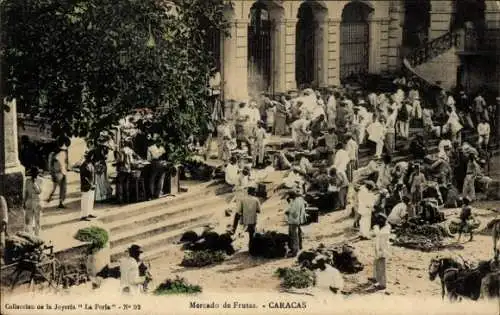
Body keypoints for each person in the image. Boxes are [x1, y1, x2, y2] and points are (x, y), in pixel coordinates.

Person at [369, 213, 391, 290]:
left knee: (381, 266)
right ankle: (375, 278)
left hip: (382, 250)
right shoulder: (383, 227)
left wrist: (381, 252)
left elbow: (378, 234)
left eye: (378, 220)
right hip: (378, 248)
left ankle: (382, 284)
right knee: (376, 264)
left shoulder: (384, 231)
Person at [285, 190, 308, 257]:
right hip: (298, 219)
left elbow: (294, 212)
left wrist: (288, 212)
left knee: (294, 235)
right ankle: (299, 246)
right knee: (298, 234)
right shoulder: (299, 200)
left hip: (294, 220)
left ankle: (295, 251)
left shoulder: (296, 202)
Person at [23, 167, 43, 236]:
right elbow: (26, 192)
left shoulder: (40, 180)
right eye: (33, 174)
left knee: (38, 220)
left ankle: (37, 235)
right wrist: (24, 202)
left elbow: (39, 191)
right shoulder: (27, 181)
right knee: (28, 221)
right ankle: (30, 235)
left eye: (36, 174)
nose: (34, 175)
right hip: (29, 201)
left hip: (37, 202)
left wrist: (35, 183)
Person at [80, 150, 96, 221]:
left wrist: (94, 184)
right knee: (85, 200)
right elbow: (84, 177)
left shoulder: (90, 164)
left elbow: (93, 174)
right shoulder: (84, 165)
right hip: (86, 186)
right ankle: (84, 215)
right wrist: (91, 184)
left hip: (91, 185)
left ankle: (89, 212)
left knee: (90, 200)